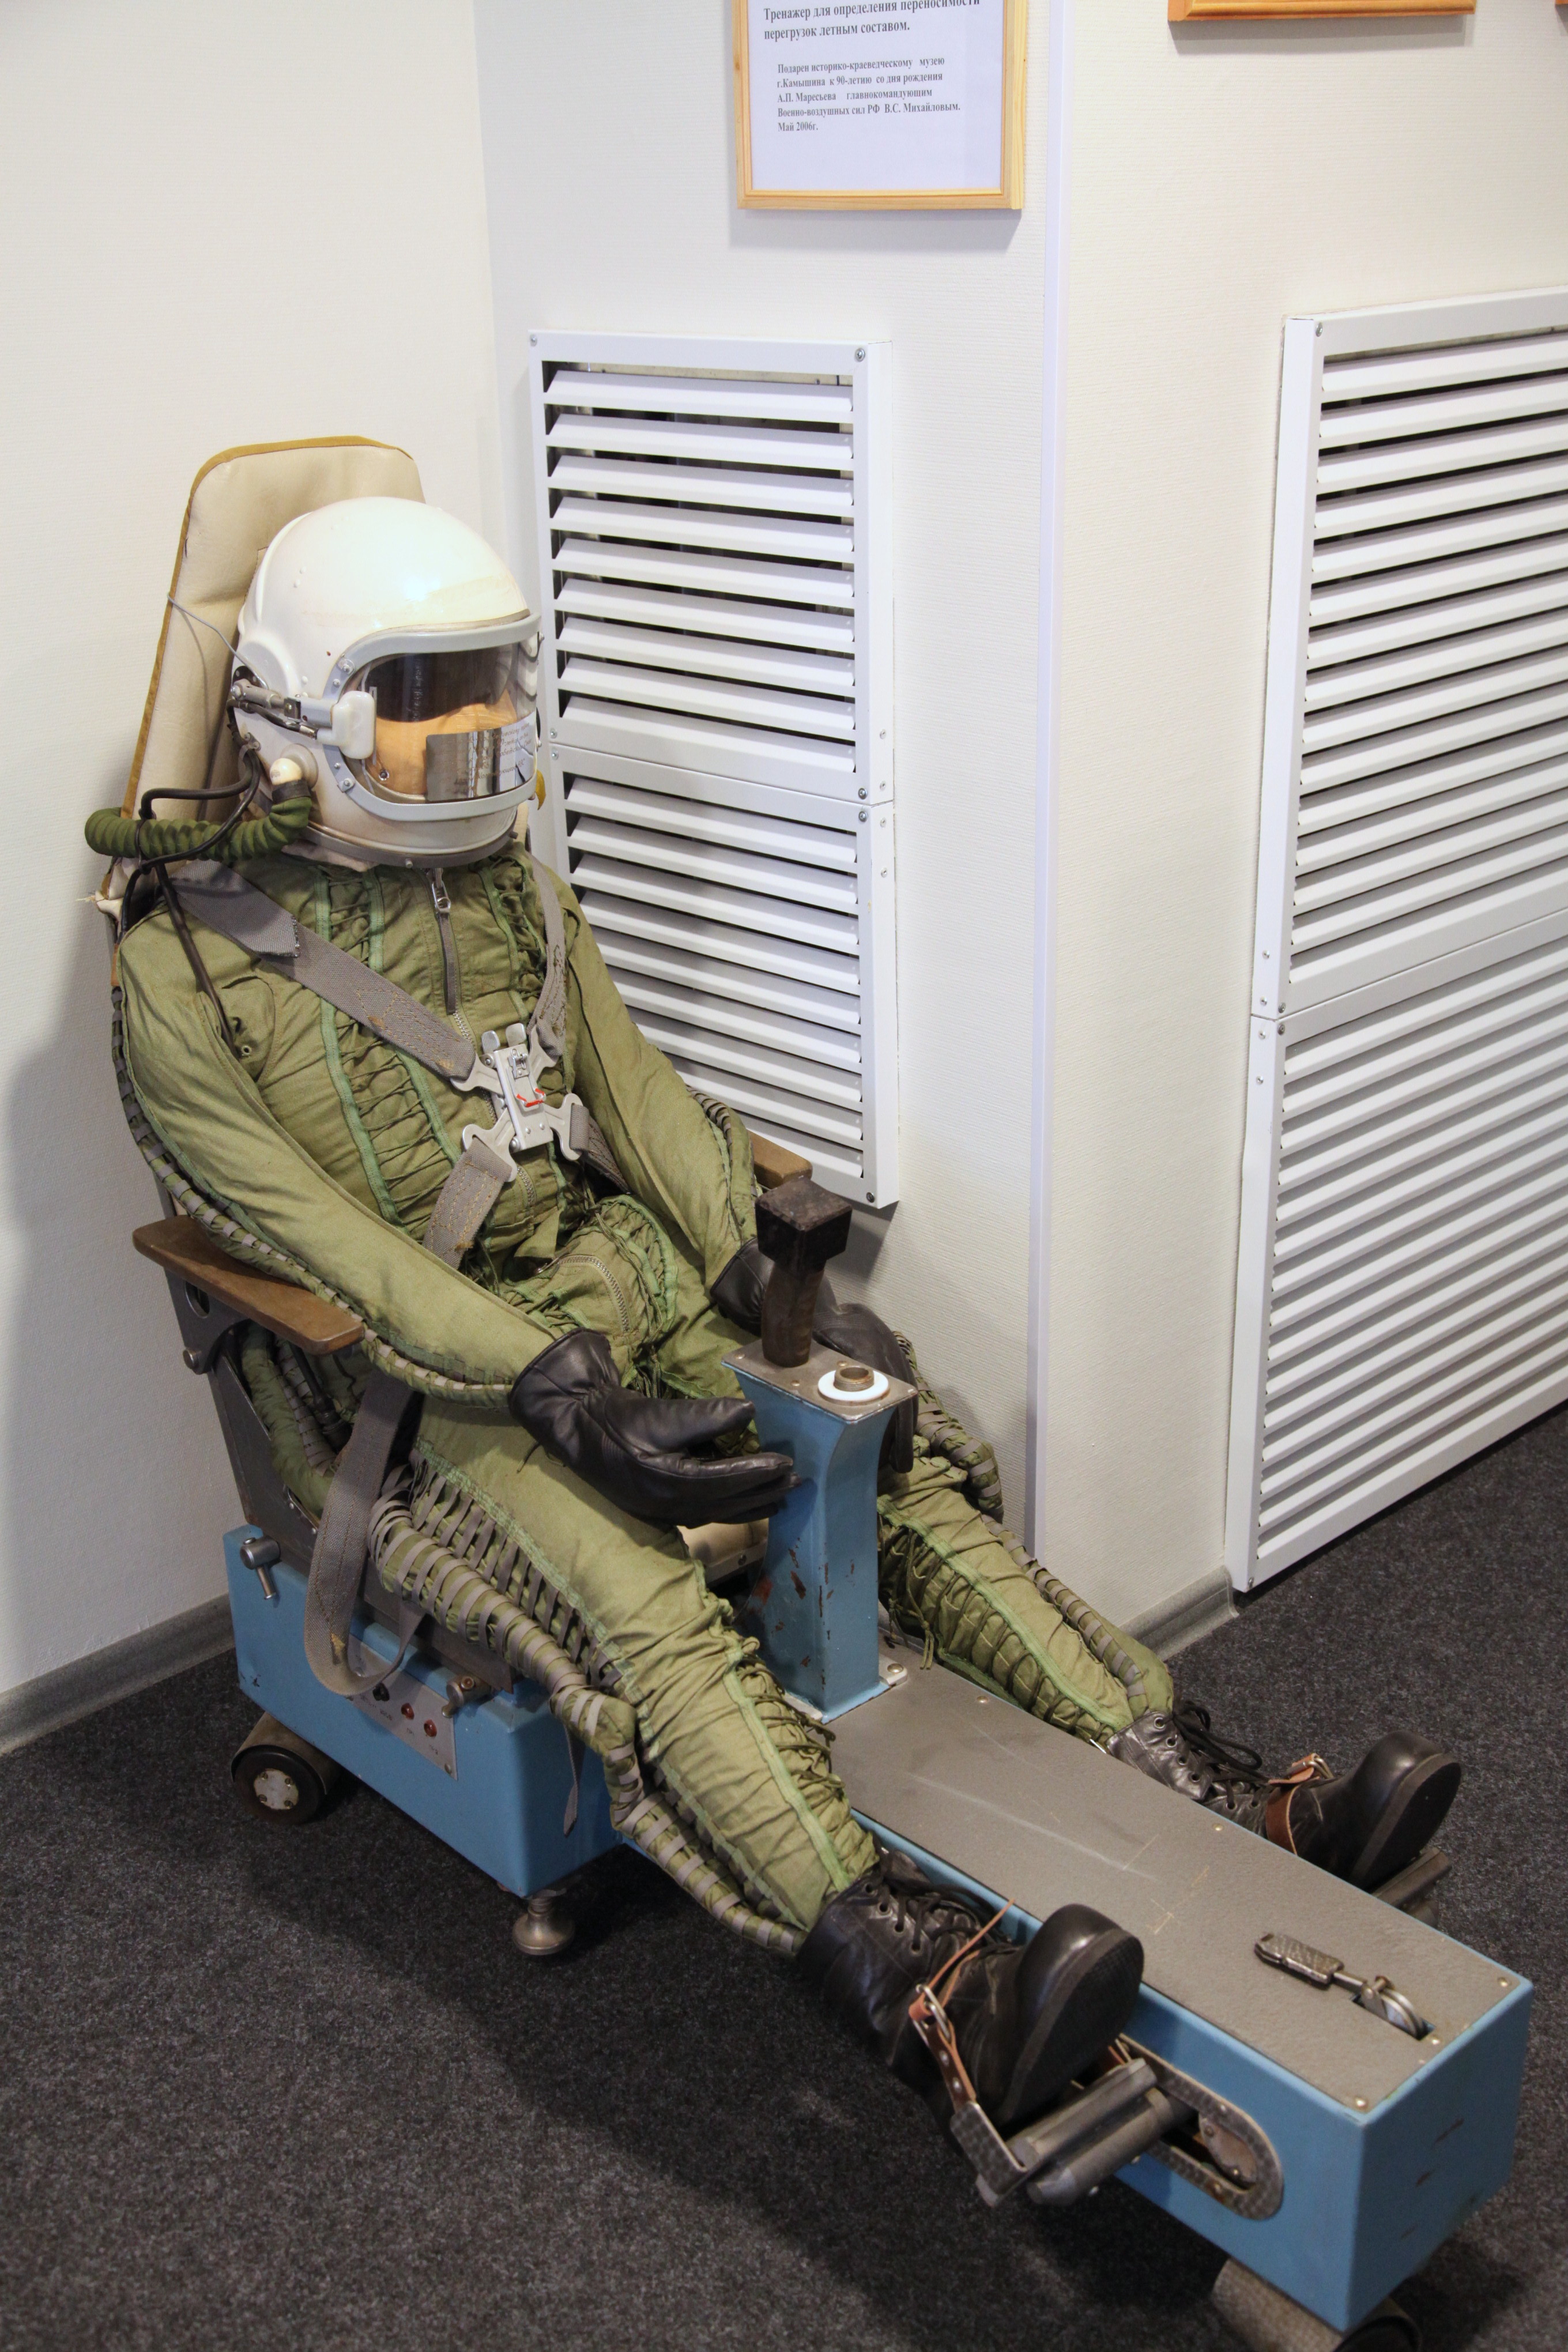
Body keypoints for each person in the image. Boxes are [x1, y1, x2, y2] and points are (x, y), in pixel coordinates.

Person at [99, 495, 1460, 2136]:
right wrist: (540, 1379)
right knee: (645, 1603)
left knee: (884, 1462)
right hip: (429, 1393)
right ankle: (940, 2001)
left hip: (627, 1289)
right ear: (298, 714)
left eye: (486, 687)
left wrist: (755, 1275)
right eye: (419, 700)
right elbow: (320, 1242)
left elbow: (635, 1091)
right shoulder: (180, 971)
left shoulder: (506, 885)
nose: (467, 735)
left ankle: (1222, 1792)